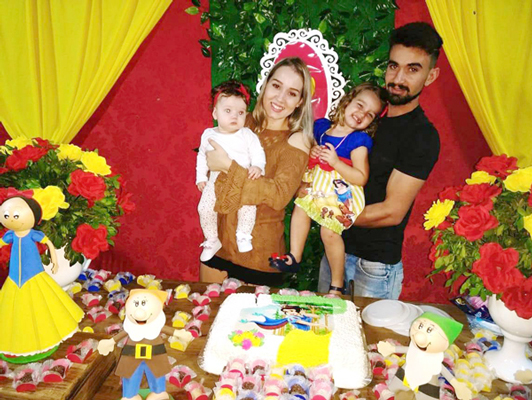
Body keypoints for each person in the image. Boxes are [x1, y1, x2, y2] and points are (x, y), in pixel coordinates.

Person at [318, 22, 443, 298]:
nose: (398, 78)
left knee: (368, 331)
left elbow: (392, 211)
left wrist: (328, 214)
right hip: (334, 250)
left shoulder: (422, 136)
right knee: (325, 327)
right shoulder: (369, 122)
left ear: (431, 76)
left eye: (413, 69)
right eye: (393, 66)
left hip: (373, 267)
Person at [200, 57, 314, 286]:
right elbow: (211, 164)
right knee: (206, 308)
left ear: (300, 102)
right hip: (218, 245)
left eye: (292, 93)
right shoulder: (243, 122)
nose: (280, 98)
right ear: (266, 84)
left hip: (258, 255)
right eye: (276, 86)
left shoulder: (296, 139)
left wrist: (228, 166)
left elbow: (278, 195)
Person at [269, 83, 388, 295]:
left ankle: (337, 284)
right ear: (348, 101)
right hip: (318, 185)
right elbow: (307, 150)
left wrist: (336, 162)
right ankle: (294, 256)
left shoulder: (358, 141)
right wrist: (313, 151)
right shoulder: (322, 127)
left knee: (329, 231)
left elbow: (361, 177)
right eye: (360, 105)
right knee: (301, 207)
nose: (362, 114)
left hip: (341, 191)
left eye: (370, 114)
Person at [0, 195, 84, 360]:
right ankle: (15, 341)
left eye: (15, 215)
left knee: (41, 304)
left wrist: (55, 261)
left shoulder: (33, 234)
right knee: (13, 308)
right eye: (6, 215)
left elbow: (49, 244)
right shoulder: (11, 235)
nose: (10, 219)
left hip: (35, 274)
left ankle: (44, 337)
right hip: (14, 277)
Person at [196, 80, 266, 262]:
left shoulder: (247, 135)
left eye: (240, 113)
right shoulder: (208, 134)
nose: (234, 116)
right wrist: (200, 177)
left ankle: (243, 234)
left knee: (247, 205)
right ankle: (212, 239)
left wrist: (258, 166)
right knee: (204, 208)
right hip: (215, 179)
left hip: (242, 178)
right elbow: (202, 156)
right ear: (215, 113)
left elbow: (258, 152)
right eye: (228, 111)